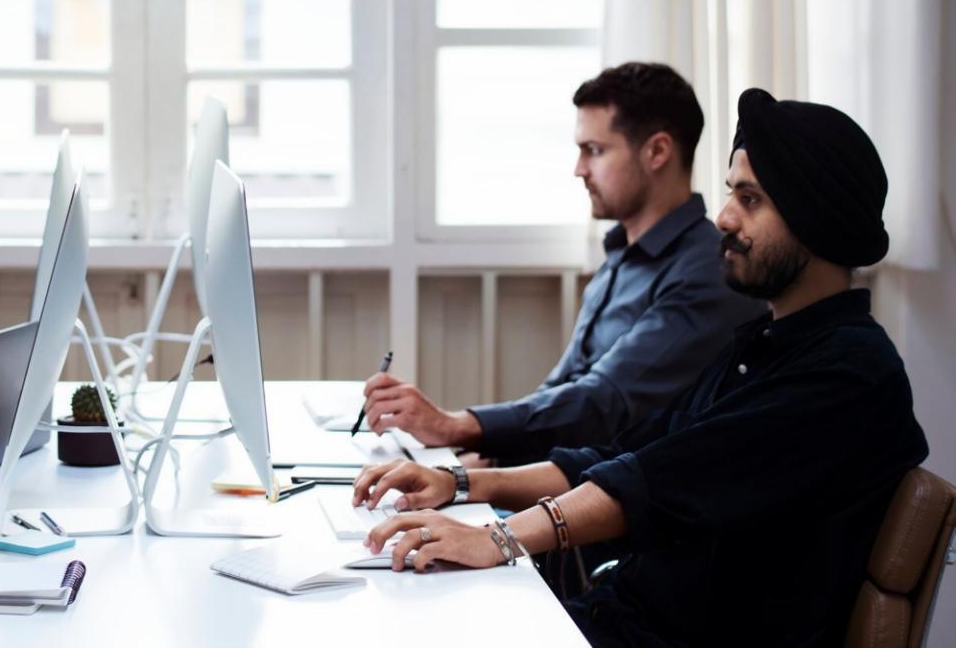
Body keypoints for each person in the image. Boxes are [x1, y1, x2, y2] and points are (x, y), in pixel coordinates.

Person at [350, 88, 928, 647]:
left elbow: (653, 481)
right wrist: (458, 483)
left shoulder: (848, 376)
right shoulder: (763, 346)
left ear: (817, 219)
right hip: (623, 617)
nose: (724, 218)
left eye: (750, 200)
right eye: (731, 193)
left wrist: (496, 539)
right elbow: (625, 455)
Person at [362, 62, 762, 463]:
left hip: (617, 492)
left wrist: (457, 425)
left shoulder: (708, 272)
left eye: (594, 150)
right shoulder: (620, 258)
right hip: (566, 477)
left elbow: (605, 404)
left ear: (657, 151)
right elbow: (561, 393)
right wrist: (483, 460)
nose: (579, 169)